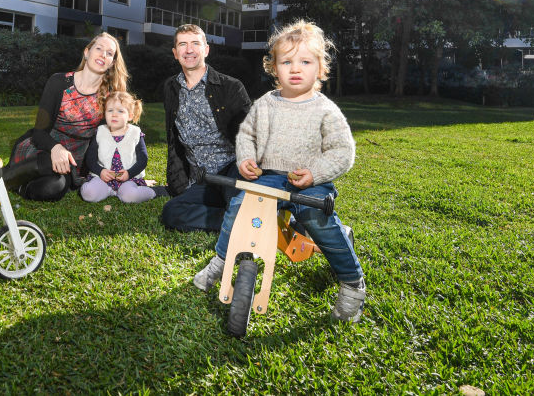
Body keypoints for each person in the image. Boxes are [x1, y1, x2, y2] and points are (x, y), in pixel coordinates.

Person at [192, 18, 367, 323]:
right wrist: (246, 158)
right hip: (270, 176)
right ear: (274, 68)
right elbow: (247, 134)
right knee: (240, 204)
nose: (296, 68)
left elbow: (343, 151)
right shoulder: (265, 104)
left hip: (310, 182)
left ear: (320, 68)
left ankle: (352, 284)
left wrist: (316, 173)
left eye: (305, 61)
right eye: (287, 61)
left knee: (317, 217)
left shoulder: (325, 109)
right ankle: (223, 259)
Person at [0, 32, 127, 202]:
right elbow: (39, 132)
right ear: (87, 52)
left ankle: (18, 184)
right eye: (99, 48)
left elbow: (112, 140)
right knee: (47, 162)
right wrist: (56, 148)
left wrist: (133, 177)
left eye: (109, 53)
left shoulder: (111, 97)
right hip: (42, 147)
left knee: (57, 186)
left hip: (74, 162)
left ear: (112, 62)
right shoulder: (59, 83)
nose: (103, 55)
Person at [160, 24, 251, 232]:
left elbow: (250, 136)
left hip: (232, 170)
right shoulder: (171, 88)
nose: (189, 50)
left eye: (195, 43)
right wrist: (178, 181)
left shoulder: (231, 87)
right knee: (172, 212)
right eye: (182, 44)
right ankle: (237, 219)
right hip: (203, 180)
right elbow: (174, 139)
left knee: (238, 199)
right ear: (175, 53)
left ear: (206, 50)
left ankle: (238, 212)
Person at [79, 91, 155, 204]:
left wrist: (129, 173)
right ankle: (109, 191)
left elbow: (143, 160)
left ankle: (152, 192)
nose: (114, 114)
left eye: (120, 111)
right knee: (88, 193)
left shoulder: (135, 133)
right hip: (103, 178)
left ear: (130, 116)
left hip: (128, 178)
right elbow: (90, 158)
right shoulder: (100, 132)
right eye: (110, 110)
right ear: (105, 113)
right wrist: (100, 172)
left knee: (130, 196)